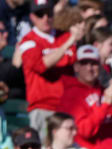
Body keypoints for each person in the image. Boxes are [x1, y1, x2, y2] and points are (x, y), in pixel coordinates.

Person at [18, 0, 85, 139]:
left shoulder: (65, 36)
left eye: (48, 13)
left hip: (69, 107)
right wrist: (67, 45)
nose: (45, 18)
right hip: (43, 107)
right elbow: (42, 65)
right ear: (32, 17)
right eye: (40, 14)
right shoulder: (28, 41)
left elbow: (73, 63)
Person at [59, 44, 112, 149]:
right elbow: (83, 130)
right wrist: (106, 104)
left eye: (94, 63)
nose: (89, 68)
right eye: (84, 63)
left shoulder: (106, 90)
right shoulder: (70, 94)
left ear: (100, 66)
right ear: (76, 66)